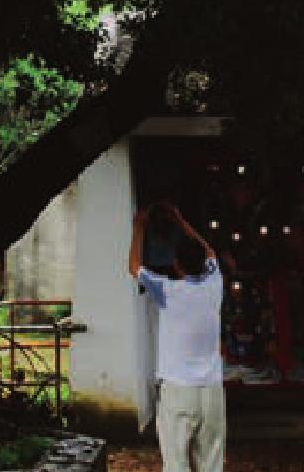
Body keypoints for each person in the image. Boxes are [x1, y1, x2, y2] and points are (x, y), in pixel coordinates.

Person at [129, 199, 231, 471]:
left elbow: (134, 267)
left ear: (176, 264)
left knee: (176, 464)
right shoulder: (214, 285)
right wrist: (180, 220)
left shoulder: (168, 291)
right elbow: (210, 253)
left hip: (177, 390)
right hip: (211, 390)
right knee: (212, 462)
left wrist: (138, 228)